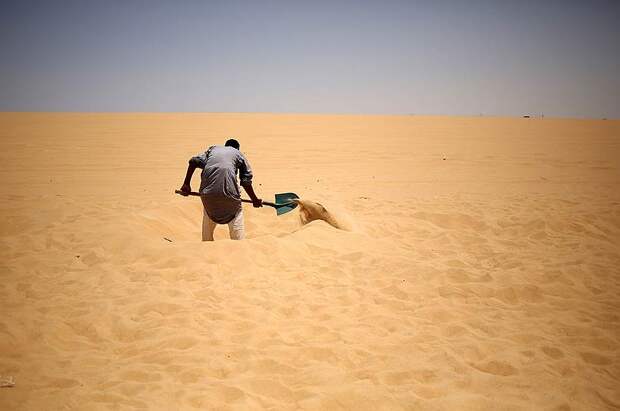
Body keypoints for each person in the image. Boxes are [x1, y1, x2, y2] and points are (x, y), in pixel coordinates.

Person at [179, 139, 262, 241]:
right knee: (237, 218)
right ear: (237, 148)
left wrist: (186, 184)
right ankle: (240, 243)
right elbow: (245, 181)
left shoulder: (213, 150)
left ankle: (206, 242)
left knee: (208, 212)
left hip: (207, 196)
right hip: (230, 198)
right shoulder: (238, 154)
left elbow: (193, 161)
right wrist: (254, 200)